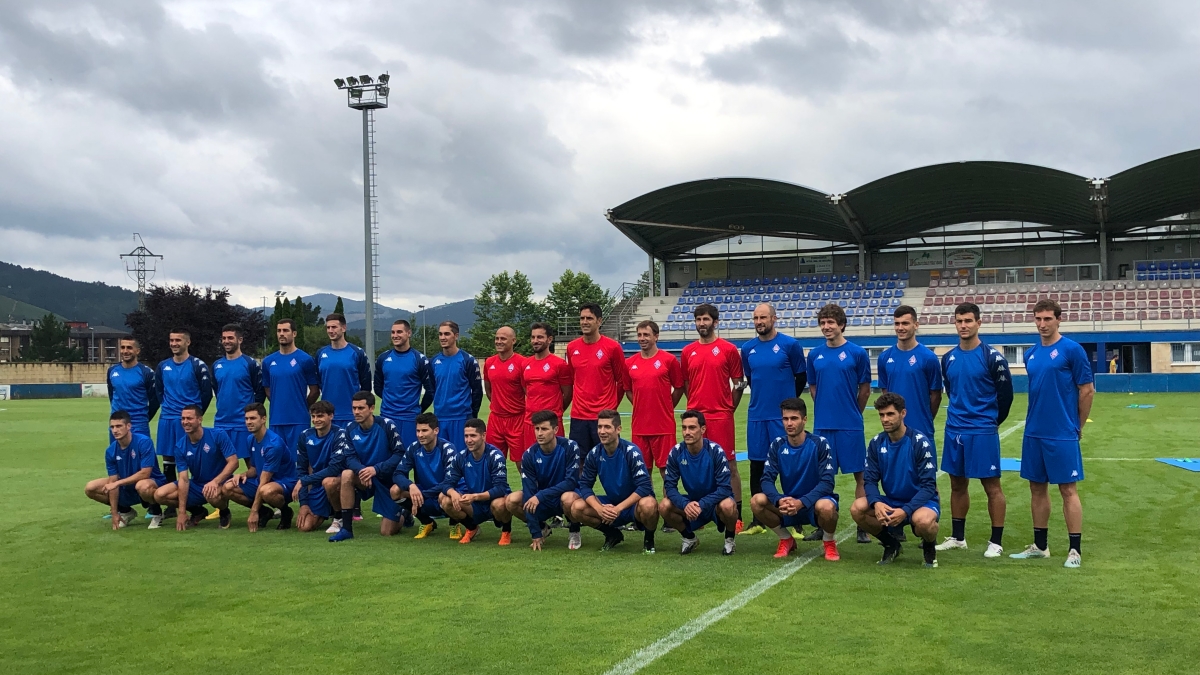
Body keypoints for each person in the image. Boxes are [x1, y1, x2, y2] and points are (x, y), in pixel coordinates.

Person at [1011, 299, 1095, 569]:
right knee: (1036, 488)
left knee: (1068, 490)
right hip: (1034, 431)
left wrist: (1077, 425)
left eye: (1048, 319)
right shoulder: (1031, 353)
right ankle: (1040, 546)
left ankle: (1074, 550)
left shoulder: (1072, 350)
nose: (1042, 324)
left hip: (1062, 432)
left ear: (1059, 319)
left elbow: (1087, 390)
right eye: (1038, 319)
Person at [937, 302, 1013, 558]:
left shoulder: (993, 358)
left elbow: (1006, 397)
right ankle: (958, 537)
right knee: (957, 484)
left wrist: (991, 422)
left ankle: (996, 541)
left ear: (979, 323)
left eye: (968, 320)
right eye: (959, 321)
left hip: (982, 430)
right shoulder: (948, 358)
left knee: (992, 486)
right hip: (954, 429)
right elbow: (951, 389)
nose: (963, 325)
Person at [806, 303, 871, 543]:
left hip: (850, 425)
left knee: (861, 476)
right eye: (823, 323)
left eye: (831, 322)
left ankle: (862, 525)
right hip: (823, 425)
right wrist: (825, 407)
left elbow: (864, 389)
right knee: (821, 476)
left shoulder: (857, 353)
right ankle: (821, 524)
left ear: (841, 325)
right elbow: (813, 387)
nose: (826, 327)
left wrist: (853, 412)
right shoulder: (814, 354)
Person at [852, 393, 941, 568]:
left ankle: (929, 547)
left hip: (922, 502)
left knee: (923, 522)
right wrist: (877, 503)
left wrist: (906, 510)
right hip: (892, 500)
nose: (885, 419)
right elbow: (869, 480)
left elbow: (929, 487)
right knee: (857, 508)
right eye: (881, 415)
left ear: (903, 414)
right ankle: (891, 544)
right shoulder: (876, 443)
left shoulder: (919, 442)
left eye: (890, 414)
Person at [739, 303, 806, 536]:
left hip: (781, 418)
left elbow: (801, 377)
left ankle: (794, 518)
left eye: (763, 317)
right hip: (757, 416)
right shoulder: (747, 349)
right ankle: (758, 520)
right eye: (756, 317)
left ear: (774, 318)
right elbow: (751, 378)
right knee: (756, 466)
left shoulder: (790, 345)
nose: (759, 321)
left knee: (787, 467)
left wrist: (787, 405)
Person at [680, 303, 746, 532]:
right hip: (697, 417)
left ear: (715, 322)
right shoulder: (688, 352)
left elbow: (739, 383)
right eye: (698, 320)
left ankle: (736, 514)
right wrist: (697, 409)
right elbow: (687, 382)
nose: (701, 323)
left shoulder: (728, 349)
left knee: (729, 464)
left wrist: (729, 407)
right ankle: (699, 513)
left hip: (721, 416)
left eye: (706, 319)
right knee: (696, 465)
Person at [750, 398, 839, 561]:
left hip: (814, 503)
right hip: (788, 504)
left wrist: (802, 502)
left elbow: (827, 482)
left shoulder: (819, 444)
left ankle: (829, 541)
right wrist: (779, 500)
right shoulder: (777, 445)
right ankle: (786, 539)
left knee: (827, 507)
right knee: (757, 501)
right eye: (785, 419)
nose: (789, 423)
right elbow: (766, 480)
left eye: (794, 418)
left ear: (804, 419)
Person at [568, 410, 659, 553]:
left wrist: (618, 509)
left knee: (649, 504)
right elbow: (585, 486)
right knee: (576, 507)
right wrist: (600, 509)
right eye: (599, 427)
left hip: (633, 504)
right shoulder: (594, 453)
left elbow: (645, 486)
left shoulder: (631, 451)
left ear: (618, 429)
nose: (602, 431)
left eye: (607, 427)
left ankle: (649, 540)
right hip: (612, 502)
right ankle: (612, 534)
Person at [326, 391, 405, 541]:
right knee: (346, 474)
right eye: (354, 408)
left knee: (387, 532)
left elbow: (399, 454)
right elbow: (349, 457)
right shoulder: (350, 428)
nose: (356, 412)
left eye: (361, 408)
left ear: (371, 408)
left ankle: (403, 514)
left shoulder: (386, 425)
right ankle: (346, 528)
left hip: (386, 479)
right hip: (364, 477)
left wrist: (376, 469)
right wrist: (362, 470)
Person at [658, 410, 739, 556]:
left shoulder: (715, 451)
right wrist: (685, 504)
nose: (687, 432)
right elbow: (669, 487)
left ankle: (729, 539)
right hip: (692, 503)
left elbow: (725, 489)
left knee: (728, 505)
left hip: (716, 503)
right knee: (664, 505)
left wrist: (702, 504)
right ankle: (689, 538)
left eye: (692, 428)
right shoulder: (676, 452)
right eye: (684, 428)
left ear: (703, 429)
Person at [151, 405, 238, 531]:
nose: (185, 422)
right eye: (183, 418)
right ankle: (197, 511)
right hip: (197, 484)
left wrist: (215, 481)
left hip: (220, 483)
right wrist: (181, 512)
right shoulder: (180, 446)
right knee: (160, 495)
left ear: (200, 419)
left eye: (189, 418)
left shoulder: (218, 435)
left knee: (211, 494)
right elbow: (184, 479)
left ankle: (224, 512)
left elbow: (234, 462)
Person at [504, 410, 582, 551]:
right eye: (537, 429)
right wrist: (535, 534)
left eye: (544, 429)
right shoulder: (529, 455)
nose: (539, 433)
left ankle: (574, 531)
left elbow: (570, 482)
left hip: (563, 496)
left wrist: (540, 496)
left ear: (555, 430)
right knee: (512, 500)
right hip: (543, 500)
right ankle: (542, 528)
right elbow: (529, 492)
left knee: (568, 498)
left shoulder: (570, 447)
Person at [154, 330, 212, 504]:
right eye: (171, 340)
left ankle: (195, 498)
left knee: (189, 459)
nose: (174, 343)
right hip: (167, 419)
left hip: (187, 420)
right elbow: (158, 391)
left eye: (178, 340)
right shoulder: (163, 366)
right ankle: (172, 503)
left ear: (188, 342)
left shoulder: (197, 365)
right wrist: (167, 409)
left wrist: (195, 414)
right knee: (168, 458)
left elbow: (206, 393)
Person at [221, 403, 298, 531]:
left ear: (263, 419)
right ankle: (265, 512)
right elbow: (256, 469)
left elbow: (264, 480)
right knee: (228, 487)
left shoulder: (273, 445)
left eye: (253, 418)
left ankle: (286, 512)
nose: (248, 422)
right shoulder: (250, 439)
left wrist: (253, 511)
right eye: (246, 419)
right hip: (263, 480)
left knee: (266, 491)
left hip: (285, 482)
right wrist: (243, 474)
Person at [85, 411, 166, 529]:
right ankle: (125, 511)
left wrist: (117, 483)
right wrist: (114, 513)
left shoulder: (143, 442)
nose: (115, 430)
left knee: (142, 486)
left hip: (150, 482)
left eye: (119, 426)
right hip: (126, 485)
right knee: (90, 488)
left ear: (128, 426)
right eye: (112, 427)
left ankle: (156, 512)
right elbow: (113, 481)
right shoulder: (110, 451)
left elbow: (145, 473)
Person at [565, 303, 628, 456]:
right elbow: (574, 379)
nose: (584, 322)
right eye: (582, 318)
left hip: (604, 417)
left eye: (589, 318)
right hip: (579, 417)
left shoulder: (612, 347)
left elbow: (622, 381)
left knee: (609, 461)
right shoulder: (572, 347)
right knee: (579, 463)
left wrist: (611, 407)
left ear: (599, 321)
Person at [624, 320, 683, 483]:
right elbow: (627, 389)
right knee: (642, 474)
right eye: (639, 335)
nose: (642, 338)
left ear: (656, 337)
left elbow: (679, 387)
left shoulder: (669, 360)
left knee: (667, 473)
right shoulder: (629, 363)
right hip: (640, 427)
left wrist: (667, 406)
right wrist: (639, 405)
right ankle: (647, 508)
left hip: (664, 426)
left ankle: (667, 507)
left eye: (646, 335)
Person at [439, 418, 513, 545]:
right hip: (474, 503)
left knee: (500, 504)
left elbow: (500, 488)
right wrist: (453, 493)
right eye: (466, 436)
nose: (468, 440)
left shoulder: (495, 456)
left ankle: (506, 531)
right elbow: (446, 483)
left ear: (483, 436)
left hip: (493, 502)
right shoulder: (461, 457)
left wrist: (476, 496)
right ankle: (472, 528)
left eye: (473, 436)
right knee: (445, 499)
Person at [391, 412, 458, 539]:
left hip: (442, 493)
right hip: (424, 493)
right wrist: (410, 486)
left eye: (424, 431)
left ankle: (454, 524)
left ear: (436, 430)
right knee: (395, 490)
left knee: (449, 493)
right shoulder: (414, 448)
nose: (420, 435)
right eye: (418, 431)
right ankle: (427, 522)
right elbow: (398, 473)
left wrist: (423, 494)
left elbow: (450, 481)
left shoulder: (447, 449)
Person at [373, 318, 436, 448]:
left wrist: (418, 409)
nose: (395, 335)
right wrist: (390, 401)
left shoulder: (419, 359)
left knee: (408, 458)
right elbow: (378, 386)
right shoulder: (383, 358)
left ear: (409, 333)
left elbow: (430, 390)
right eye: (393, 332)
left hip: (409, 419)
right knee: (385, 458)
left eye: (399, 332)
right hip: (387, 416)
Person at [262, 319, 320, 456]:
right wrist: (279, 403)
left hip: (299, 420)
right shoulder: (268, 361)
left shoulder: (305, 359)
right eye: (279, 331)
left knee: (299, 461)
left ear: (294, 333)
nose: (282, 334)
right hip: (276, 419)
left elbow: (314, 390)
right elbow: (267, 389)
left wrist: (301, 405)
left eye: (285, 330)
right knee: (278, 460)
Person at [211, 323, 264, 468]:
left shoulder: (250, 363)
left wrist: (251, 415)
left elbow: (259, 392)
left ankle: (255, 490)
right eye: (224, 338)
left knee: (252, 465)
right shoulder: (217, 365)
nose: (226, 341)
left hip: (243, 422)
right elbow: (217, 389)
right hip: (222, 422)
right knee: (219, 466)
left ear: (240, 340)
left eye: (230, 338)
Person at [291, 401, 348, 533]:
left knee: (329, 482)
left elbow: (334, 469)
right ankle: (325, 511)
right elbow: (301, 469)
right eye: (313, 416)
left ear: (331, 416)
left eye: (320, 416)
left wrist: (304, 481)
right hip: (316, 483)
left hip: (338, 482)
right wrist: (304, 503)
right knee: (304, 527)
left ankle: (339, 517)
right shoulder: (305, 436)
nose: (316, 420)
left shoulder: (340, 434)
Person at [430, 320, 483, 452]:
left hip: (461, 418)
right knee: (442, 459)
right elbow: (432, 389)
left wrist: (471, 415)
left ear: (456, 336)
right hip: (440, 418)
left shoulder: (467, 360)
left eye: (447, 334)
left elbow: (477, 391)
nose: (443, 337)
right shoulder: (434, 361)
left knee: (461, 459)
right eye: (440, 334)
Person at [521, 322, 572, 455]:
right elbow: (526, 389)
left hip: (551, 423)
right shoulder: (525, 364)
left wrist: (554, 413)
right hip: (530, 422)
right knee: (531, 461)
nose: (535, 341)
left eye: (540, 337)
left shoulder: (560, 364)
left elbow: (567, 394)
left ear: (549, 339)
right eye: (533, 337)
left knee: (555, 462)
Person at [317, 313, 372, 428]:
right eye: (328, 327)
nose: (330, 330)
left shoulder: (357, 353)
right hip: (327, 416)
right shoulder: (321, 353)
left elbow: (366, 386)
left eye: (334, 327)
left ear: (343, 328)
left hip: (351, 415)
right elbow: (319, 382)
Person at [483, 326, 527, 463]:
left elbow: (528, 393)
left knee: (522, 461)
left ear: (513, 341)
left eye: (503, 338)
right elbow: (489, 390)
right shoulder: (489, 362)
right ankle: (496, 485)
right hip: (495, 419)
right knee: (492, 461)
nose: (499, 341)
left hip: (517, 419)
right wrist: (499, 405)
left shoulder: (522, 363)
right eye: (497, 338)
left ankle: (529, 485)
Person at [106, 337, 159, 440]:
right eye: (123, 347)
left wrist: (143, 418)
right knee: (118, 455)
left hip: (138, 425)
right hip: (117, 424)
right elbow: (111, 395)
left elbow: (155, 401)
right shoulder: (112, 371)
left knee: (141, 454)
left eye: (129, 348)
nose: (125, 351)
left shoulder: (147, 373)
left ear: (137, 351)